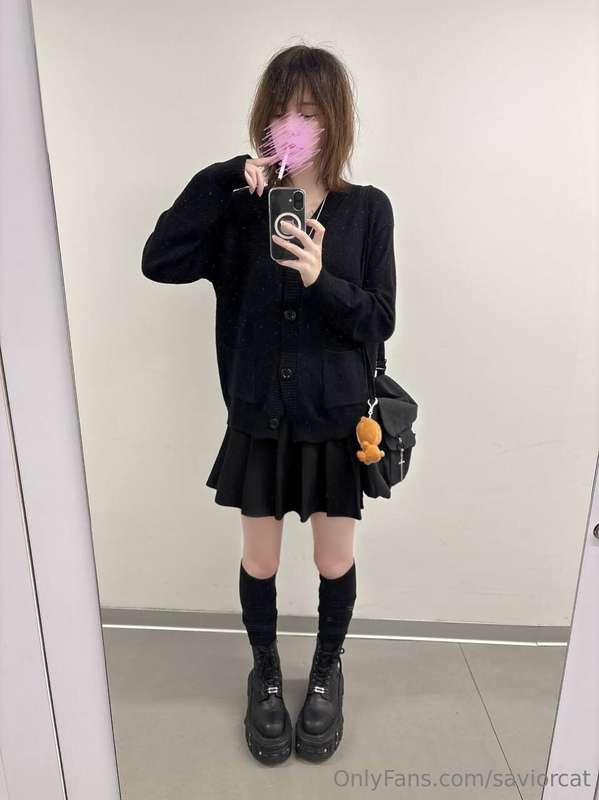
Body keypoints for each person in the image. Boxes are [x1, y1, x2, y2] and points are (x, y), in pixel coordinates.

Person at [141, 44, 397, 765]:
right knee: (260, 560)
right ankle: (265, 673)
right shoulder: (237, 211)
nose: (294, 125)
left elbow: (378, 319)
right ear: (263, 122)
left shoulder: (367, 210)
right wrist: (226, 176)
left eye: (309, 112)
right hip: (258, 416)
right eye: (282, 112)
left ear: (334, 120)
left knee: (332, 559)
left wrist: (321, 278)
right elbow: (159, 261)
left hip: (336, 420)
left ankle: (325, 671)